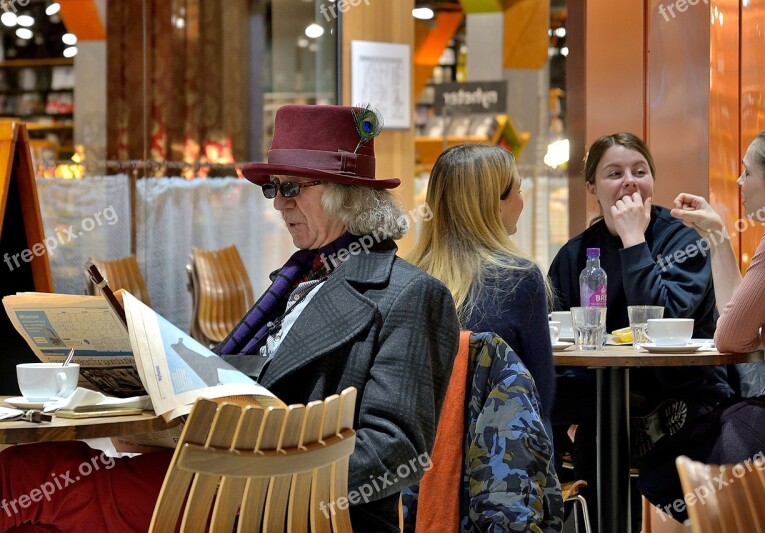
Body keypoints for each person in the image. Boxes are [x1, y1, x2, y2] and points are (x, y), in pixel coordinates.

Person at [0, 104, 460, 532]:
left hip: (282, 504)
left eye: (291, 188)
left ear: (347, 197)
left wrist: (251, 466)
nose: (278, 204)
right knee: (31, 470)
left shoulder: (410, 295)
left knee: (24, 483)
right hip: (215, 474)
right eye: (271, 188)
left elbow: (397, 450)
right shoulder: (297, 278)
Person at [547, 132, 734, 527]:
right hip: (601, 402)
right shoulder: (576, 254)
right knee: (564, 425)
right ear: (592, 188)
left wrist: (633, 240)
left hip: (682, 396)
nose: (630, 181)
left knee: (607, 436)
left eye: (640, 171)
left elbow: (661, 323)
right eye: (615, 173)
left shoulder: (682, 241)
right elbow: (557, 337)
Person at [671, 124, 765, 453]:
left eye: (746, 172)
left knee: (680, 465)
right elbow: (738, 327)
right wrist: (716, 234)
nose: (740, 182)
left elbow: (730, 336)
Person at [407, 143, 556, 425]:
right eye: (519, 191)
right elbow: (541, 395)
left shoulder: (406, 276)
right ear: (494, 204)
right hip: (500, 460)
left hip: (422, 459)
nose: (522, 202)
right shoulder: (519, 277)